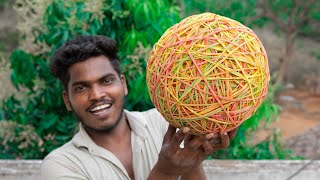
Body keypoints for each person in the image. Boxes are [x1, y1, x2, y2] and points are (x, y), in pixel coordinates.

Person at [40, 35, 237, 180]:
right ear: (67, 100)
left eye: (106, 81)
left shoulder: (165, 124)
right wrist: (166, 172)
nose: (97, 95)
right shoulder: (61, 165)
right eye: (81, 87)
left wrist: (195, 160)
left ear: (123, 84)